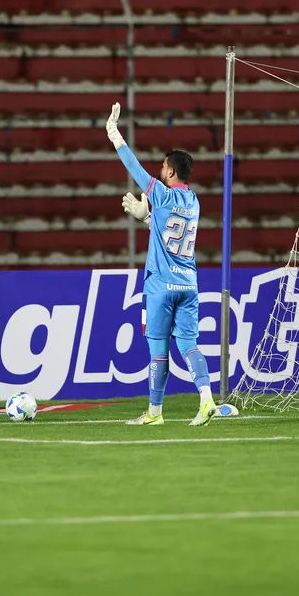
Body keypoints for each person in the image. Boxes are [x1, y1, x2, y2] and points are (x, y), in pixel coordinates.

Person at [105, 102, 217, 426]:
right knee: (190, 346)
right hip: (189, 284)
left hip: (160, 284)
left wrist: (115, 136)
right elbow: (169, 229)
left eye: (163, 167)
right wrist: (147, 219)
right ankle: (206, 400)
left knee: (158, 350)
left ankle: (155, 412)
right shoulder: (193, 202)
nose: (160, 170)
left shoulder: (163, 195)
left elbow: (136, 170)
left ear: (170, 171)